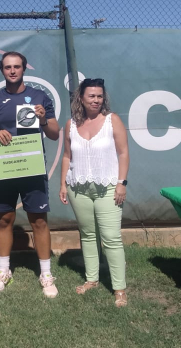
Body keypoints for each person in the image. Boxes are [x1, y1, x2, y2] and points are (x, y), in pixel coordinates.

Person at [0, 51, 60, 298]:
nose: (12, 71)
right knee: (4, 220)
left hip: (32, 168)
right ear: (2, 70)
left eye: (17, 67)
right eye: (7, 67)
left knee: (39, 220)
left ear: (24, 68)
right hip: (4, 168)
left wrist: (44, 120)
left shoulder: (39, 97)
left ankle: (45, 274)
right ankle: (3, 271)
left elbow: (55, 133)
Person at [58, 78, 130, 307]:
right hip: (77, 187)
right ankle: (92, 280)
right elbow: (67, 156)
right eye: (91, 96)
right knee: (88, 235)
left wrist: (122, 183)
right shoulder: (70, 124)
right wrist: (62, 185)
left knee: (111, 238)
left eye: (100, 96)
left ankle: (119, 289)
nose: (96, 100)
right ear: (81, 98)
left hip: (108, 187)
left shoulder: (112, 121)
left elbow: (123, 153)